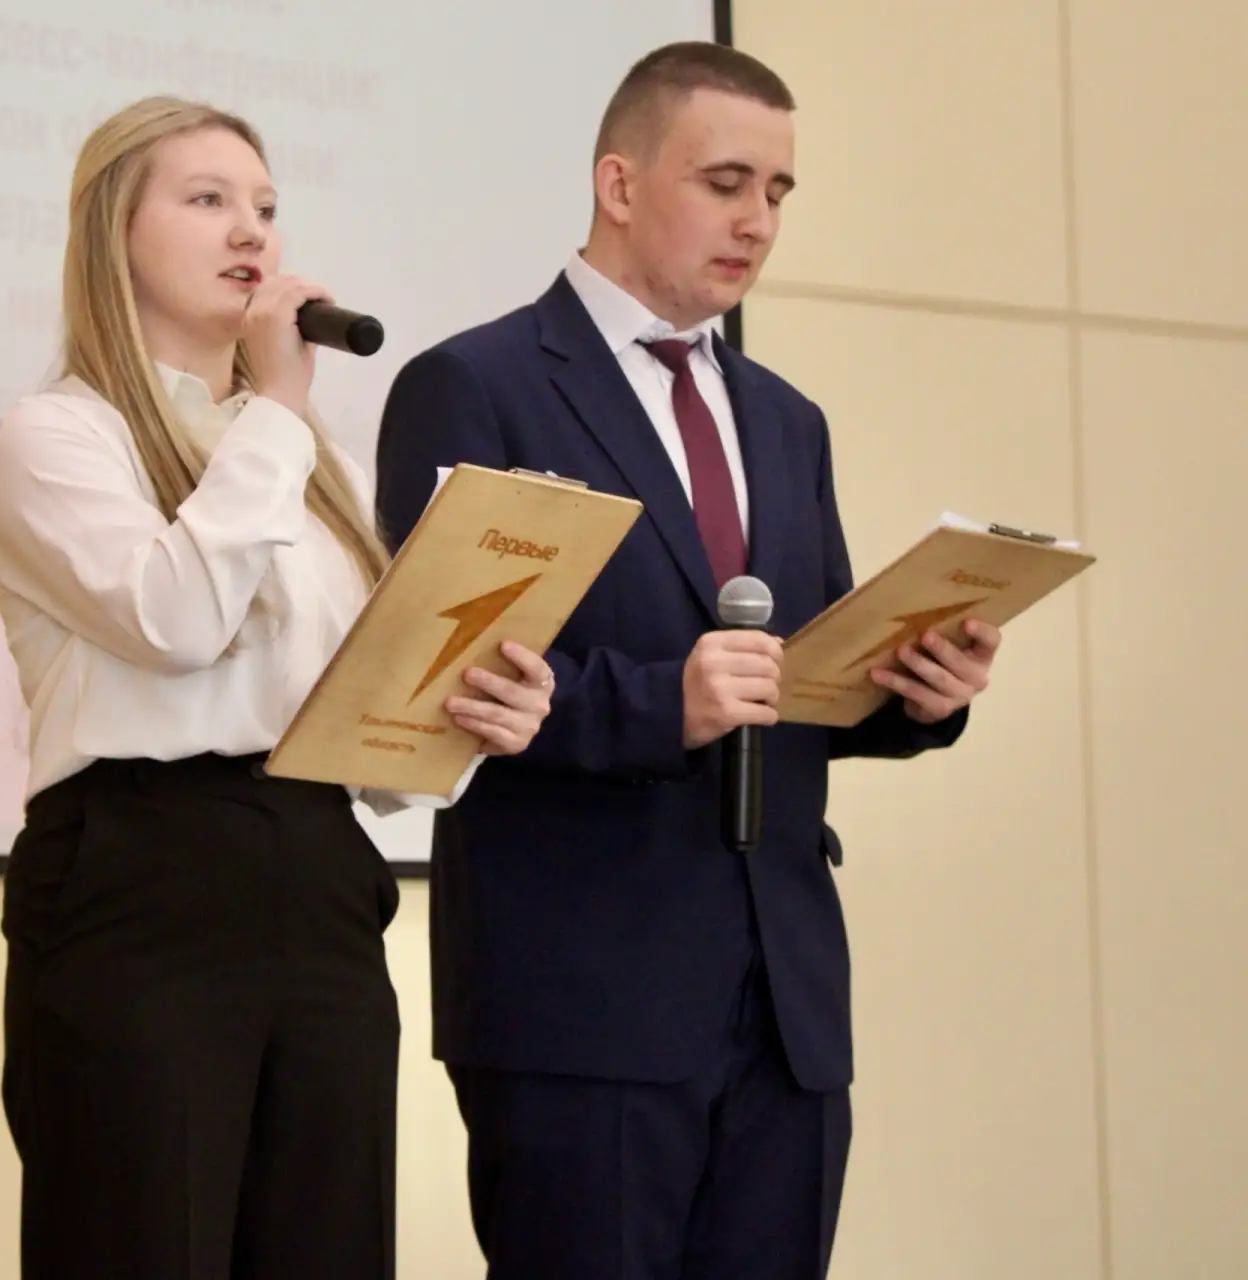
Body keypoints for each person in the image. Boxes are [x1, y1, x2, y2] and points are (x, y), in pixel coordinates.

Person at [373, 42, 1003, 1280]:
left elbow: (795, 671)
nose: (757, 219)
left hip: (784, 1000)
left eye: (778, 191)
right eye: (725, 183)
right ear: (618, 183)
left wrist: (914, 690)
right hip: (580, 996)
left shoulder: (786, 418)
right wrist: (665, 701)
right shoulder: (476, 384)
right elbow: (444, 679)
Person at [0, 95, 556, 1280]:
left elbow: (360, 730)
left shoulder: (307, 463)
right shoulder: (55, 437)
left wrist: (473, 715)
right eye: (208, 200)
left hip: (319, 880)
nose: (252, 231)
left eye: (266, 206)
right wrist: (279, 409)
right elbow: (176, 621)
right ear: (113, 231)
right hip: (138, 883)